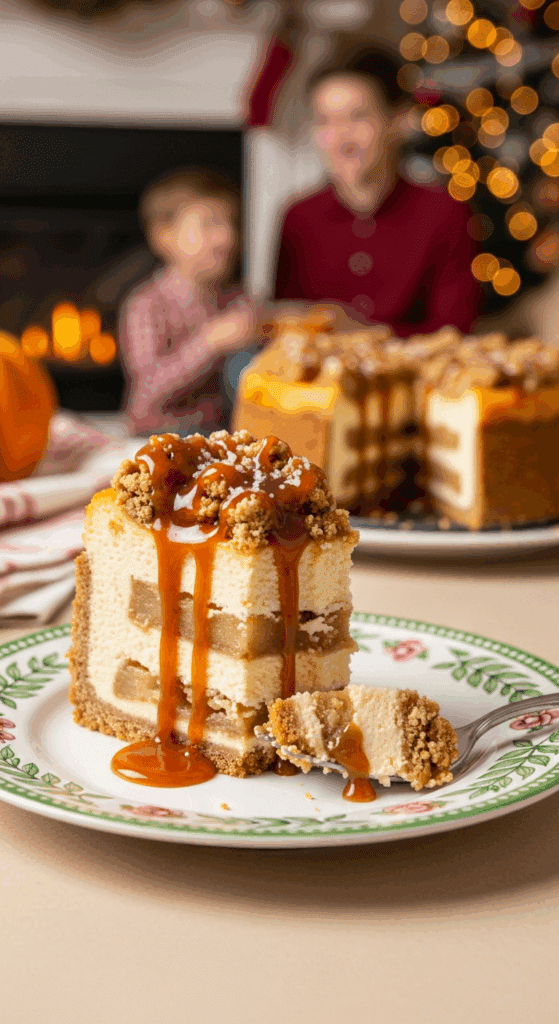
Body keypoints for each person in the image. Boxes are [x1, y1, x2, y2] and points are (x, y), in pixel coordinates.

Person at [274, 44, 483, 337]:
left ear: (397, 121)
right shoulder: (298, 218)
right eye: (324, 122)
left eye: (357, 117)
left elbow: (452, 334)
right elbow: (288, 329)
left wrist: (362, 332)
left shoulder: (444, 212)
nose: (340, 139)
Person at [119, 168, 256, 436]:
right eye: (209, 224)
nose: (227, 238)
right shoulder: (146, 305)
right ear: (164, 236)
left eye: (232, 224)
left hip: (221, 435)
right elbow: (147, 393)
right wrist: (210, 343)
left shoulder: (237, 299)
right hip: (160, 439)